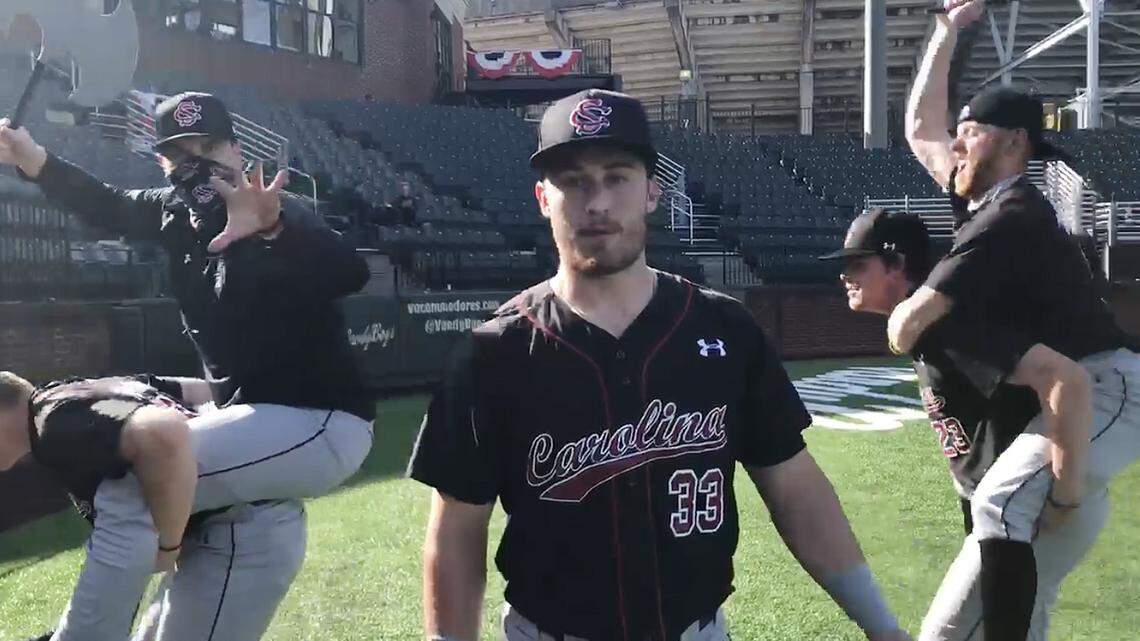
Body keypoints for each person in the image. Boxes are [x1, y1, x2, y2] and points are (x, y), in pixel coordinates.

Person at [407, 89, 912, 641]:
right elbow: (458, 529)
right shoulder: (493, 352)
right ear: (542, 198)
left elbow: (794, 487)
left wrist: (883, 628)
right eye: (573, 181)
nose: (596, 202)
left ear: (652, 191)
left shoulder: (726, 329)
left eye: (617, 176)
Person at [0, 92, 376, 639]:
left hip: (319, 418)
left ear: (238, 149)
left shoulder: (278, 212)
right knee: (170, 494)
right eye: (180, 153)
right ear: (163, 162)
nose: (197, 162)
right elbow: (104, 202)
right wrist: (32, 158)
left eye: (210, 145)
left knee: (136, 479)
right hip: (255, 419)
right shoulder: (173, 212)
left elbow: (350, 273)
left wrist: (267, 232)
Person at [899, 3, 1140, 637]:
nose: (955, 141)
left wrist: (1063, 490)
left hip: (1109, 389)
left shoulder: (1014, 215)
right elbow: (918, 126)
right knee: (1007, 592)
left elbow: (908, 324)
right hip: (1073, 397)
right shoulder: (982, 199)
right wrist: (946, 35)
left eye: (970, 130)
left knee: (1000, 501)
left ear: (1014, 143)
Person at [821, 208, 1115, 640]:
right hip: (1018, 511)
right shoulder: (927, 326)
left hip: (1034, 507)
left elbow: (1061, 378)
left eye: (857, 264)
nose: (845, 276)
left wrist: (1063, 496)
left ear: (897, 263)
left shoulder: (948, 324)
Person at [0, 371, 307, 641]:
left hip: (242, 532)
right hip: (229, 529)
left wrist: (168, 546)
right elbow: (206, 391)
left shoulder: (51, 421)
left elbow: (162, 432)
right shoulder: (92, 389)